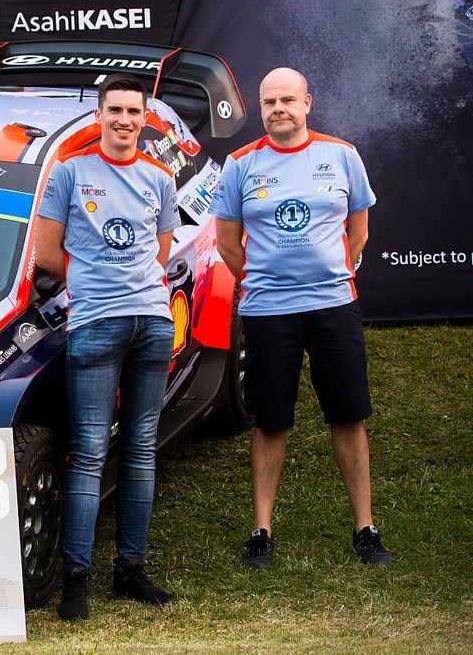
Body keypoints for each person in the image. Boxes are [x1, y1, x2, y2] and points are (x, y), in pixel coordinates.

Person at [208, 67, 392, 569]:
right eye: (269, 102)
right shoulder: (241, 164)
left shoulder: (341, 155)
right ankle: (262, 531)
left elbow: (359, 228)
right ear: (261, 109)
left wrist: (332, 273)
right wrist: (268, 281)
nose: (278, 109)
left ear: (307, 102)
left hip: (334, 306)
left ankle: (365, 528)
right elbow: (226, 243)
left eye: (288, 100)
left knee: (348, 415)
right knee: (270, 419)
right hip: (268, 312)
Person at [35, 73, 180, 621]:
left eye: (134, 112)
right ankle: (76, 579)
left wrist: (130, 281)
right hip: (94, 323)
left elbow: (160, 253)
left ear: (146, 120)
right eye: (114, 110)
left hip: (152, 323)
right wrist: (96, 279)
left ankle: (130, 571)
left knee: (142, 447)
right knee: (91, 451)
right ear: (99, 116)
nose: (124, 120)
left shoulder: (159, 177)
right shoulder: (70, 173)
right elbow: (48, 252)